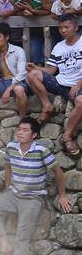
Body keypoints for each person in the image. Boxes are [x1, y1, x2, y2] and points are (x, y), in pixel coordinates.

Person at [0, 117, 72, 255]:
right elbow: (8, 166)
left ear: (34, 135)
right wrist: (7, 187)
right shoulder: (11, 147)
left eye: (25, 130)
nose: (20, 132)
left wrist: (62, 196)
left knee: (23, 234)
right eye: (19, 129)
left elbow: (58, 172)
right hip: (14, 194)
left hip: (33, 198)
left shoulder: (41, 150)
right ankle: (4, 244)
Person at [24, 15, 82, 156]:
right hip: (61, 83)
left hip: (78, 84)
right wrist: (36, 68)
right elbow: (51, 70)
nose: (63, 30)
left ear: (75, 27)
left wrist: (79, 84)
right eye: (60, 28)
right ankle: (47, 105)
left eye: (66, 27)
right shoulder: (58, 46)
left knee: (81, 101)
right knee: (32, 75)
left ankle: (67, 136)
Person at [11, 0, 53, 64]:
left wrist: (33, 11)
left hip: (51, 30)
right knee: (34, 55)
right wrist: (23, 13)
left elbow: (52, 12)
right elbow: (17, 12)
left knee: (49, 56)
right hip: (33, 30)